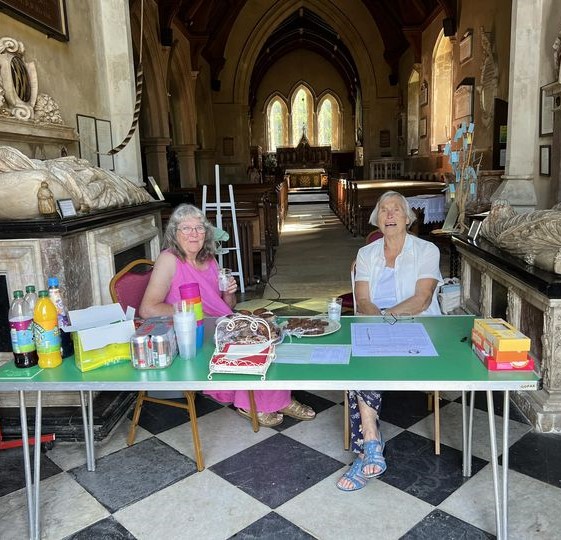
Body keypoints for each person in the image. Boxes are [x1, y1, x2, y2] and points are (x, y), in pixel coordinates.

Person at [139, 203, 315, 427]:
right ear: (174, 232)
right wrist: (192, 312)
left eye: (199, 228)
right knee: (251, 343)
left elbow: (225, 305)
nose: (194, 234)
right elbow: (148, 309)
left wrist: (228, 293)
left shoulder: (208, 259)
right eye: (186, 228)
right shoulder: (169, 259)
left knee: (270, 332)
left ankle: (278, 399)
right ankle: (251, 402)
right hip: (195, 330)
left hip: (222, 322)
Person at [337, 190, 442, 491]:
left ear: (408, 218)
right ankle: (370, 444)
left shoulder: (427, 251)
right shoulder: (366, 254)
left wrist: (386, 319)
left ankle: (364, 454)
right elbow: (363, 300)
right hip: (375, 326)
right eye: (384, 210)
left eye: (397, 209)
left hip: (418, 329)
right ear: (377, 219)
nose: (391, 214)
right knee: (357, 362)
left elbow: (421, 300)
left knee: (366, 358)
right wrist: (379, 323)